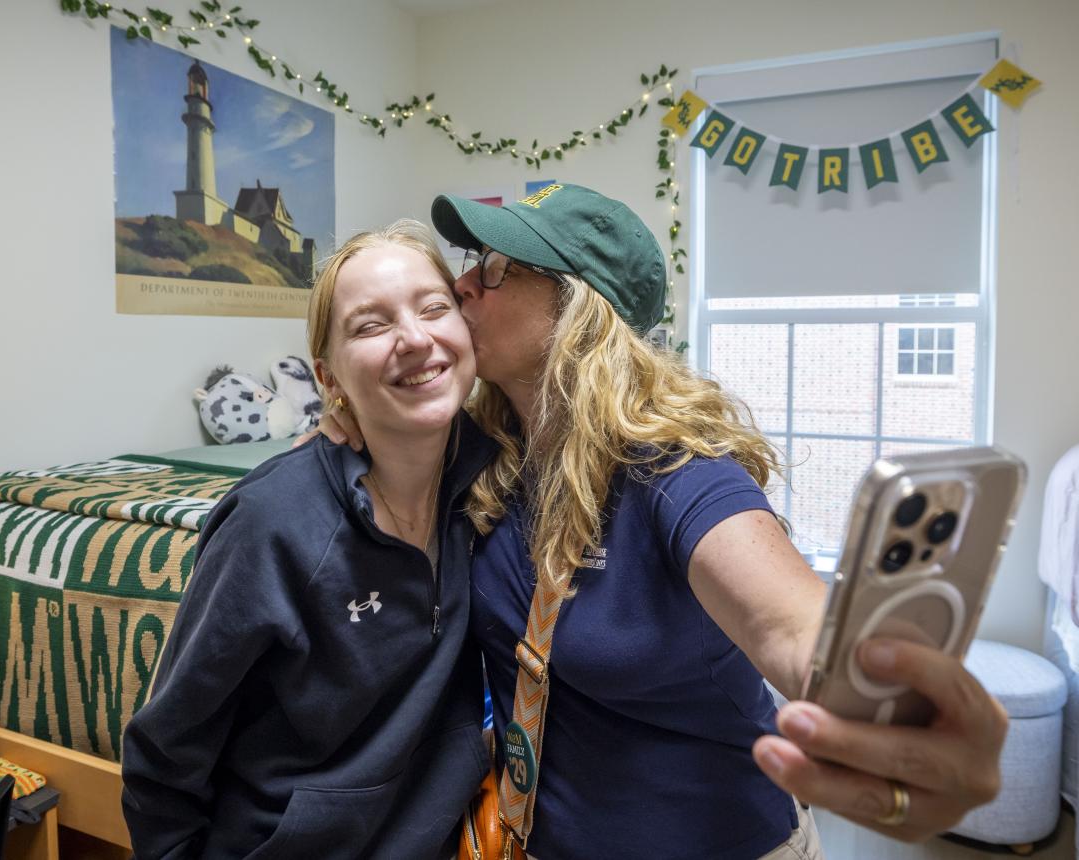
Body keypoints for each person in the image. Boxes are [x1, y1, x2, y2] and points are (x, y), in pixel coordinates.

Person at [317, 183, 1009, 859]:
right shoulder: (483, 458)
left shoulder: (678, 473)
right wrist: (348, 414)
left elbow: (789, 626)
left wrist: (886, 703)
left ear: (578, 308)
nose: (464, 285)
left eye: (497, 269)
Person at [120, 220, 497, 859]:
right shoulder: (272, 522)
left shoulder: (494, 483)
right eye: (370, 325)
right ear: (328, 379)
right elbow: (166, 750)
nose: (414, 338)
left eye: (435, 308)